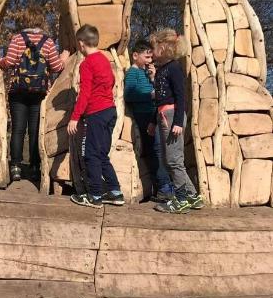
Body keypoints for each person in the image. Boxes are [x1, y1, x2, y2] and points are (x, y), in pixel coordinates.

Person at [0, 15, 69, 181]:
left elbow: (9, 62)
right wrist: (63, 59)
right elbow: (56, 67)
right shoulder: (48, 42)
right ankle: (34, 167)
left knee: (18, 129)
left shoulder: (18, 39)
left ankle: (16, 167)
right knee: (35, 131)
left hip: (18, 91)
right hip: (39, 93)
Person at [67, 24, 124, 207]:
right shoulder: (105, 60)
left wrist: (75, 117)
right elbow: (113, 80)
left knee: (91, 155)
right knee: (101, 154)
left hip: (96, 113)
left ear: (82, 44)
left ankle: (95, 196)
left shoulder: (87, 64)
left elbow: (84, 94)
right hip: (110, 111)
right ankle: (115, 192)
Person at [148, 29, 204, 214]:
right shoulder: (161, 70)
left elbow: (181, 97)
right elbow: (159, 99)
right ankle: (193, 196)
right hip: (163, 116)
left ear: (162, 48)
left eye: (153, 48)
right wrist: (153, 121)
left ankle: (181, 199)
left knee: (173, 161)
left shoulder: (174, 68)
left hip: (173, 117)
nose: (150, 52)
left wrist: (178, 122)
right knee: (171, 159)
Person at [124, 39, 174, 202]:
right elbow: (129, 95)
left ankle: (164, 186)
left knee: (159, 150)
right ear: (135, 56)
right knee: (155, 151)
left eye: (151, 58)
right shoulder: (132, 73)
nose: (149, 61)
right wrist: (149, 95)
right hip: (144, 115)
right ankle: (163, 187)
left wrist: (153, 78)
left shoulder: (147, 72)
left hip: (154, 113)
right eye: (146, 57)